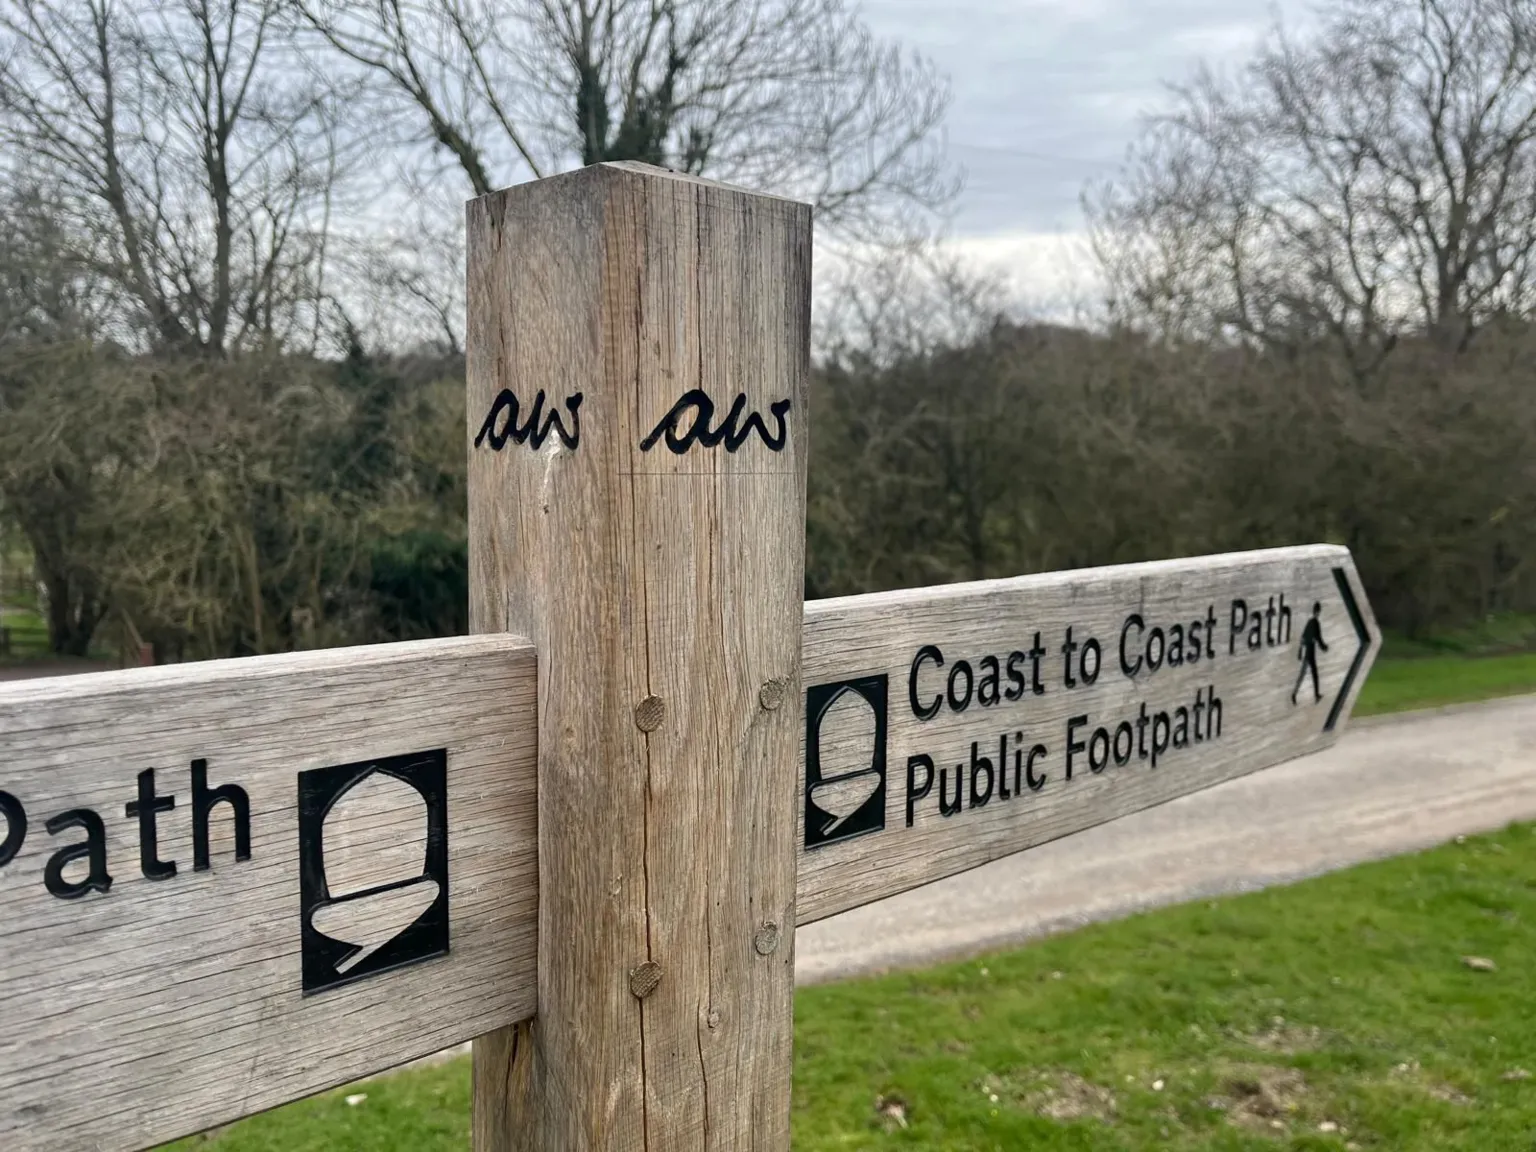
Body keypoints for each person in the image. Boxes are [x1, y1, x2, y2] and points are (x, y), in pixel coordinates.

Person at [1292, 601, 1328, 705]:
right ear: (1318, 611)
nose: (1318, 613)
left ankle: (1314, 695)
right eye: (1319, 611)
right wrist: (1324, 647)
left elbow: (1303, 638)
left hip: (1308, 652)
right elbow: (1318, 638)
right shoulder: (1316, 623)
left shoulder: (1309, 622)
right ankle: (1296, 694)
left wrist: (1300, 651)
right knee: (1308, 674)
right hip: (1310, 654)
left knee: (1309, 674)